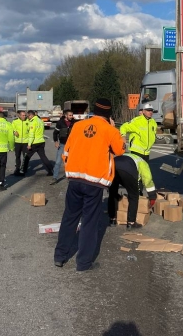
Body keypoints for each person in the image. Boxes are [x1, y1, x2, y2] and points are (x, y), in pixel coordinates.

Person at [54, 99, 125, 272]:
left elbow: (66, 151)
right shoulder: (109, 130)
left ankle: (60, 256)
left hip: (75, 179)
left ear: (93, 110)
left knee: (69, 218)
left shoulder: (78, 126)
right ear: (109, 115)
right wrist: (114, 129)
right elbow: (120, 150)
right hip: (94, 182)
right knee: (89, 223)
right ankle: (83, 263)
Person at [109, 153, 157, 229]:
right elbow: (147, 180)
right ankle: (131, 222)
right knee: (134, 196)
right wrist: (152, 196)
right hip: (128, 171)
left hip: (112, 167)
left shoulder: (126, 156)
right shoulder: (143, 163)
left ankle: (112, 219)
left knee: (113, 194)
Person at [23, 110, 54, 177]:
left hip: (34, 142)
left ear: (31, 115)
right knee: (43, 157)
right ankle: (51, 170)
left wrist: (29, 144)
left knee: (27, 157)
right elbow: (43, 130)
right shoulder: (40, 121)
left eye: (28, 116)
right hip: (41, 141)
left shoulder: (33, 122)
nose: (27, 117)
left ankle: (23, 170)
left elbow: (31, 134)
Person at [52, 109, 75, 185]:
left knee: (70, 162)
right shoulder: (60, 123)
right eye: (70, 115)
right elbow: (55, 133)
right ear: (66, 115)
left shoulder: (74, 122)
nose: (71, 117)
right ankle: (55, 177)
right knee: (58, 161)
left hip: (71, 145)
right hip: (62, 144)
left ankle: (70, 176)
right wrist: (56, 141)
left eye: (72, 115)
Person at [11, 111, 29, 176]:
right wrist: (14, 132)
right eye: (23, 115)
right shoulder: (15, 121)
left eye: (25, 115)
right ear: (19, 116)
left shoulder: (28, 122)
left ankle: (24, 170)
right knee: (17, 156)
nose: (24, 116)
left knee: (25, 156)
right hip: (17, 142)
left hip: (26, 142)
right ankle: (17, 168)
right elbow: (12, 128)